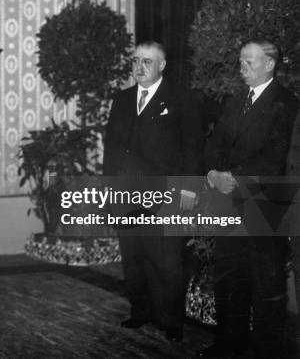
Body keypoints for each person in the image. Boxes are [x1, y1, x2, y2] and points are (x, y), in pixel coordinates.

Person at [199, 40, 298, 359]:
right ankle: (230, 343)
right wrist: (213, 171)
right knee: (229, 277)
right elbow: (215, 142)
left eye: (249, 63)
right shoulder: (235, 99)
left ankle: (268, 351)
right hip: (228, 200)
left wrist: (234, 179)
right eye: (241, 62)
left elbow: (276, 156)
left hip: (264, 203)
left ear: (270, 64)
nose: (241, 68)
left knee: (266, 283)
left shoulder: (287, 103)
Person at [103, 41, 203, 342]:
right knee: (133, 257)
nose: (139, 67)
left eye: (147, 61)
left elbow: (193, 150)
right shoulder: (121, 99)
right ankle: (141, 310)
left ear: (162, 65)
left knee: (167, 260)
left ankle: (171, 320)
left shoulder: (181, 99)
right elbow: (110, 150)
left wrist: (188, 192)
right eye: (135, 60)